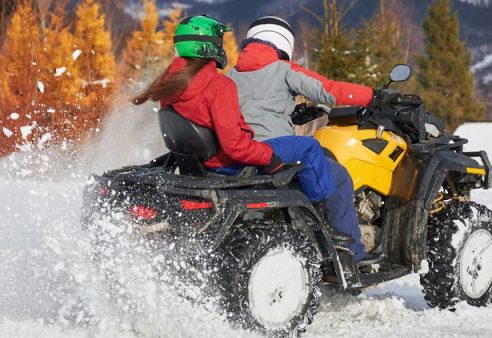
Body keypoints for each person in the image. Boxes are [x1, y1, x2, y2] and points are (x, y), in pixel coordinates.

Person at [132, 15, 370, 262]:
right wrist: (268, 157)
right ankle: (324, 220)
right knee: (311, 147)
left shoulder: (173, 83)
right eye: (219, 40)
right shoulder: (219, 84)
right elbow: (236, 145)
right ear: (210, 45)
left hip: (203, 160)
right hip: (233, 161)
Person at [227, 15, 379, 264]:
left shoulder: (232, 74)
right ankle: (350, 251)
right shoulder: (284, 69)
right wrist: (373, 95)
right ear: (284, 43)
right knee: (339, 177)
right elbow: (329, 91)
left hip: (243, 151)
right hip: (278, 151)